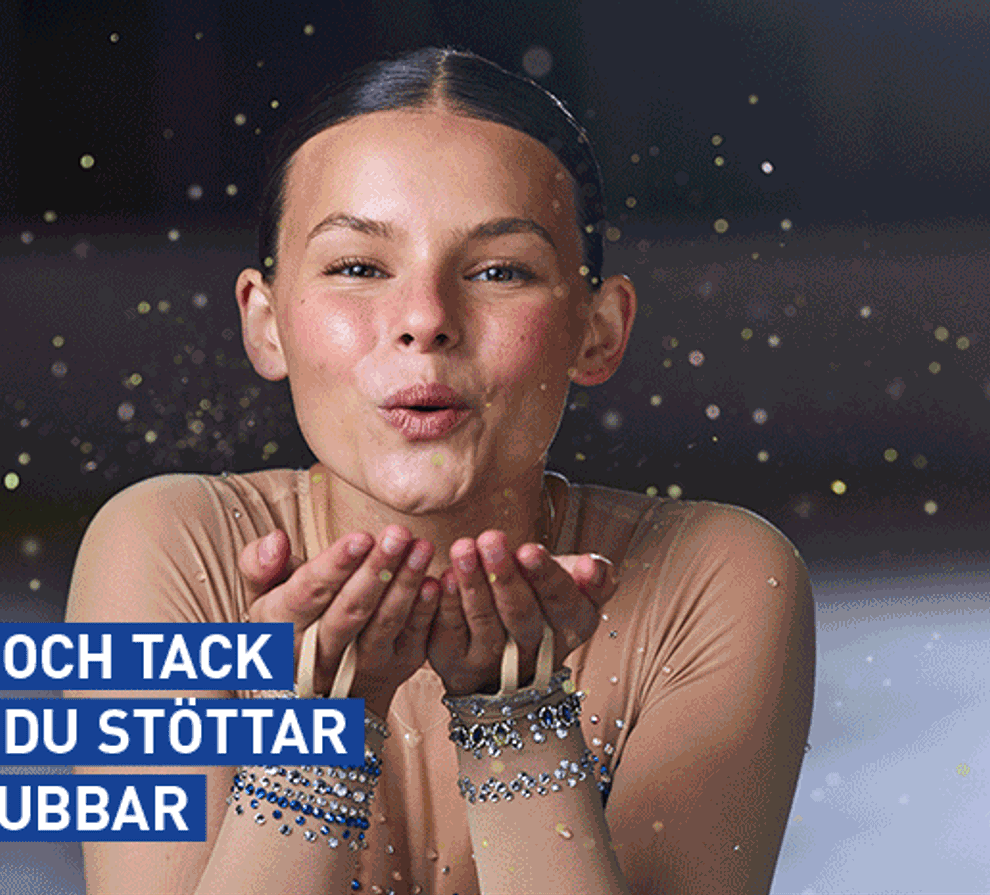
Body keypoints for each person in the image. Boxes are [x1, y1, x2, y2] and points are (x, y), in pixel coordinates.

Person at [66, 46, 815, 895]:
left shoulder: (718, 576)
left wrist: (518, 725)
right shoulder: (168, 549)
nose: (425, 320)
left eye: (499, 271)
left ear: (598, 328)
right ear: (266, 322)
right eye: (357, 267)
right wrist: (312, 741)